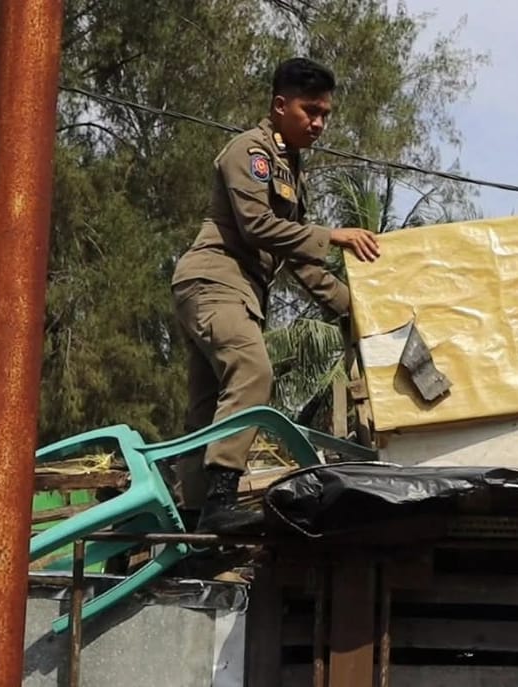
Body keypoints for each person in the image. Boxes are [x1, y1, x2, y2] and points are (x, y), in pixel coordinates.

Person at [170, 57, 381, 533]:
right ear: (280, 104)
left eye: (325, 114)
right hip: (215, 279)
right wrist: (334, 236)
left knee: (208, 407)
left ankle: (191, 520)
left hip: (235, 287)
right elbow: (258, 226)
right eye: (310, 111)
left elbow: (301, 261)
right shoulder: (250, 152)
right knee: (252, 371)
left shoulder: (290, 169)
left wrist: (359, 313)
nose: (319, 123)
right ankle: (221, 500)